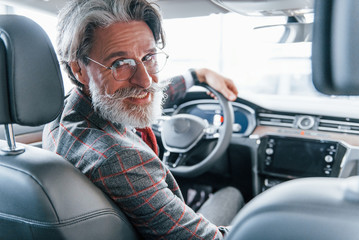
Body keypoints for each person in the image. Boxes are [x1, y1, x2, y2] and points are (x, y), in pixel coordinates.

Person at [43, 0, 243, 239]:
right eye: (120, 63)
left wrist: (197, 76)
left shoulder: (63, 112)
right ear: (79, 70)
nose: (146, 80)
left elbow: (139, 95)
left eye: (149, 57)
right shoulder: (120, 158)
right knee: (231, 193)